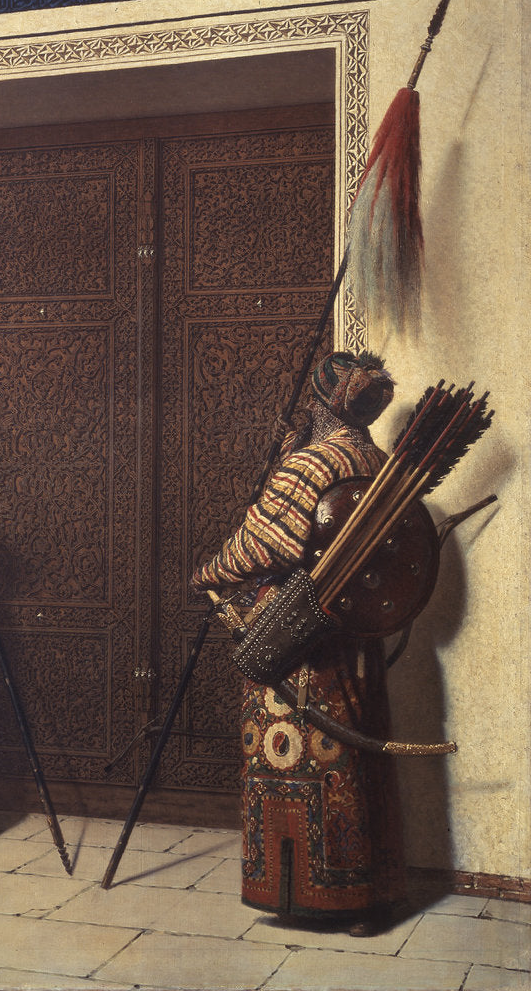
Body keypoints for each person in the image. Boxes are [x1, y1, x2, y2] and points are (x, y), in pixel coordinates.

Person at [191, 350, 404, 936]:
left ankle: (312, 895)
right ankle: (366, 894)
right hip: (355, 633)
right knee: (354, 752)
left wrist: (209, 572)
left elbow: (266, 543)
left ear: (321, 403)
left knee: (300, 752)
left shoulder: (314, 463)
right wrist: (291, 454)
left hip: (296, 633)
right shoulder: (377, 459)